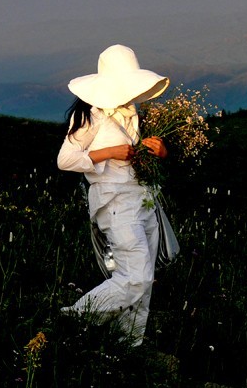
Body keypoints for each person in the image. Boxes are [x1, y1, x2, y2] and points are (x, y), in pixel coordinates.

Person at [57, 44, 170, 347]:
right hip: (115, 203)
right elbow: (65, 160)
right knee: (136, 277)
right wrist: (109, 152)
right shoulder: (90, 116)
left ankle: (127, 344)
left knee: (144, 282)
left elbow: (142, 160)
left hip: (143, 201)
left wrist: (159, 151)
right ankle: (75, 318)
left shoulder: (133, 114)